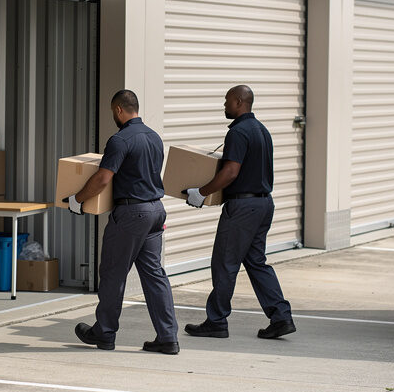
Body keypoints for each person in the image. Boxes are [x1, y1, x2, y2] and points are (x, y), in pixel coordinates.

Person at [66, 89, 179, 354]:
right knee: (154, 276)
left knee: (113, 274)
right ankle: (167, 336)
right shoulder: (154, 137)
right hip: (155, 211)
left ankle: (104, 333)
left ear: (118, 110)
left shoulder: (120, 140)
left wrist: (77, 199)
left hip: (131, 214)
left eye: (112, 112)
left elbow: (103, 178)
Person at [183, 85, 296, 340]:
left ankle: (216, 321)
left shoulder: (238, 132)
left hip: (243, 208)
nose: (224, 106)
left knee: (224, 263)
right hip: (264, 204)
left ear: (238, 101)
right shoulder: (262, 131)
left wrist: (201, 193)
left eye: (226, 101)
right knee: (256, 262)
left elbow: (231, 172)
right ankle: (281, 316)